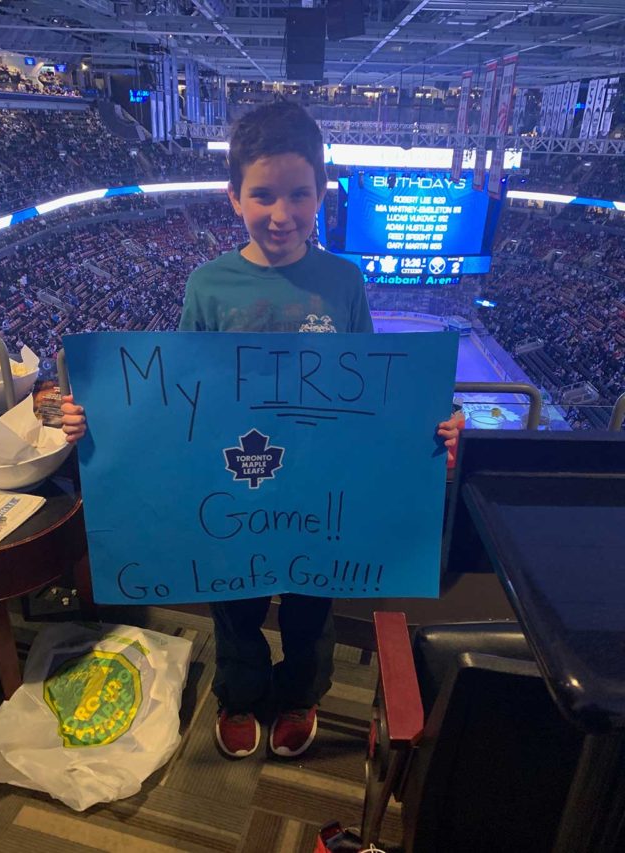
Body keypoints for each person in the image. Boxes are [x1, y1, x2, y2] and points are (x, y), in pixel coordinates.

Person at [61, 100, 461, 761]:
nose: (282, 213)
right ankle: (241, 694)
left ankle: (301, 693)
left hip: (318, 490)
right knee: (235, 604)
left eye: (298, 194)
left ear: (322, 193)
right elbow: (173, 396)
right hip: (236, 484)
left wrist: (433, 422)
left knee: (311, 608)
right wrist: (94, 414)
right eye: (263, 195)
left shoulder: (344, 280)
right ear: (234, 197)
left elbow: (377, 392)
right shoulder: (209, 284)